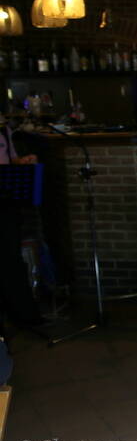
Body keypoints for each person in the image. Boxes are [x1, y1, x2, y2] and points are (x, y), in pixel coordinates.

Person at [1, 122, 43, 333]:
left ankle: (22, 314)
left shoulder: (4, 130)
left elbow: (11, 159)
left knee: (11, 257)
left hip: (6, 199)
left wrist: (23, 162)